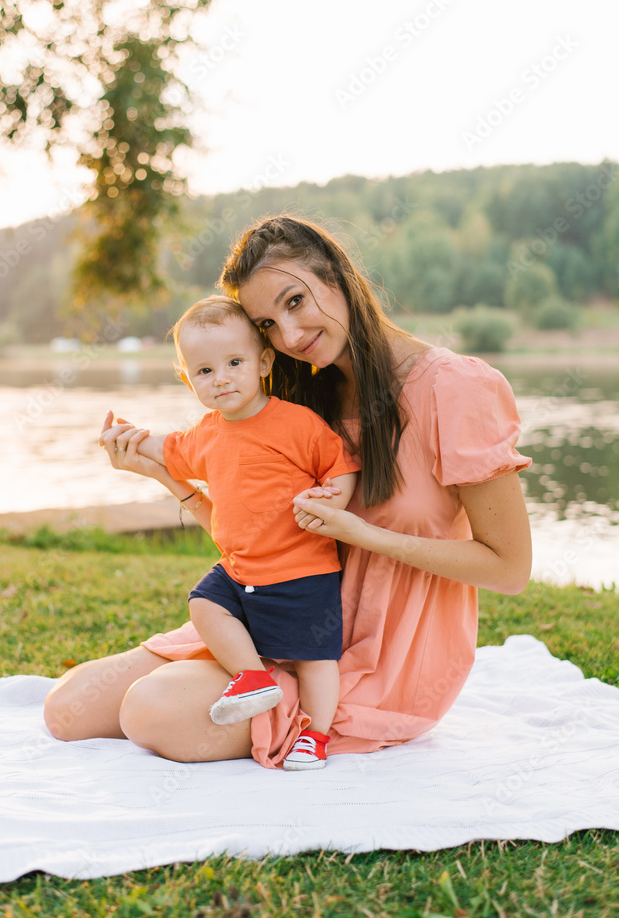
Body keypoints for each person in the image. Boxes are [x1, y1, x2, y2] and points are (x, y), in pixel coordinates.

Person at [44, 215, 532, 773]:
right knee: (68, 708)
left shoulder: (458, 388)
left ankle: (297, 715)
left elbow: (509, 569)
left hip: (376, 655)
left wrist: (363, 534)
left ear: (338, 275)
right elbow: (257, 536)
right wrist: (165, 476)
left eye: (296, 301)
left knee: (152, 709)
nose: (292, 336)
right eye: (268, 325)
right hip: (272, 610)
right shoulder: (299, 397)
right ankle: (246, 676)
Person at [99, 295, 359, 770]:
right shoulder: (205, 434)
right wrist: (127, 437)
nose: (220, 378)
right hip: (240, 572)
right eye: (204, 371)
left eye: (234, 363)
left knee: (316, 658)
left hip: (301, 570)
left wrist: (334, 501)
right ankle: (253, 677)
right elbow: (167, 449)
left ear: (263, 363)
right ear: (188, 380)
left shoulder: (296, 423)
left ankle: (316, 735)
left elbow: (339, 464)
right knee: (203, 602)